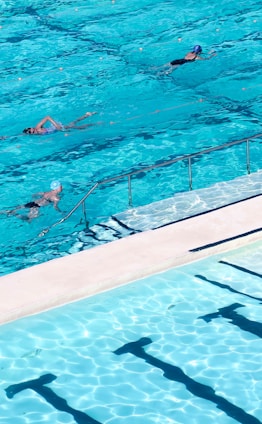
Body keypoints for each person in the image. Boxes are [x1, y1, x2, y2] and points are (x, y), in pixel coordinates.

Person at [23, 112, 96, 135]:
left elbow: (47, 117)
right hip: (58, 130)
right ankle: (87, 115)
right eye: (32, 132)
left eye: (32, 130)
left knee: (77, 128)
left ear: (31, 127)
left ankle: (94, 124)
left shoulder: (38, 127)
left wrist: (56, 125)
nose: (33, 131)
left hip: (58, 128)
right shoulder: (38, 134)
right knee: (74, 123)